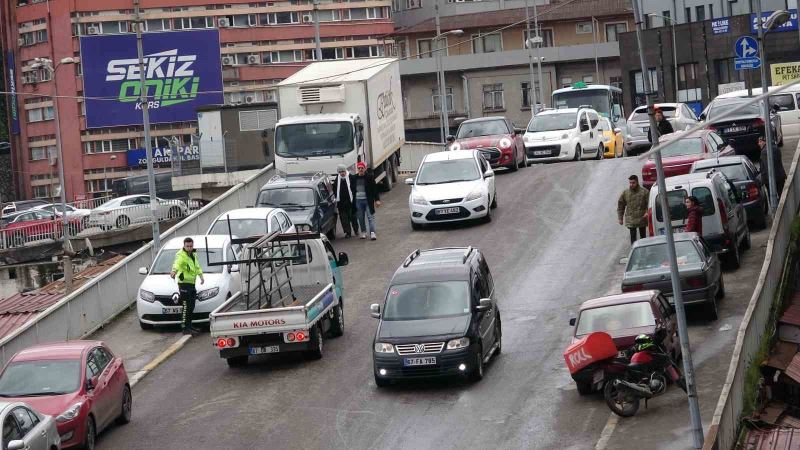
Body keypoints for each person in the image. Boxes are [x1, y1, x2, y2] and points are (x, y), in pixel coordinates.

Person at [170, 237, 204, 335]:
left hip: (192, 284)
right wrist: (174, 271)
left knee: (191, 306)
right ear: (184, 246)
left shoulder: (193, 254)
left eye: (191, 246)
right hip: (184, 284)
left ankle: (190, 326)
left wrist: (201, 276)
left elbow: (197, 267)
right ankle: (185, 328)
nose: (189, 248)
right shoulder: (181, 255)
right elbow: (177, 263)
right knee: (186, 306)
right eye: (187, 246)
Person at [350, 161, 381, 240]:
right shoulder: (354, 178)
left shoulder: (370, 177)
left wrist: (377, 200)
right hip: (358, 201)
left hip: (368, 201)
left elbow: (374, 189)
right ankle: (363, 232)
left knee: (370, 217)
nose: (360, 169)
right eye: (359, 168)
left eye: (362, 168)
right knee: (360, 217)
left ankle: (372, 233)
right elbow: (352, 188)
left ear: (365, 168)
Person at [617, 175, 650, 244]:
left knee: (643, 238)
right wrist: (620, 218)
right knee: (633, 238)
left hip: (642, 218)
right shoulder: (626, 193)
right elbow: (621, 205)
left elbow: (649, 203)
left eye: (633, 183)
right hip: (631, 219)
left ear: (637, 182)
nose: (631, 184)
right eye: (630, 183)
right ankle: (635, 251)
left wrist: (647, 212)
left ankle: (644, 250)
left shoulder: (644, 192)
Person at [334, 164, 358, 238]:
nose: (342, 173)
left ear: (345, 171)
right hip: (341, 203)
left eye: (343, 171)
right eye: (340, 172)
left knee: (353, 217)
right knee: (344, 219)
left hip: (351, 202)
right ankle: (348, 232)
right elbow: (335, 189)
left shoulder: (351, 177)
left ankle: (356, 230)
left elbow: (355, 189)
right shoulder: (337, 179)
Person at [758, 135, 786, 199]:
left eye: (760, 141)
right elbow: (779, 163)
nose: (759, 144)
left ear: (765, 142)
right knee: (781, 196)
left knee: (772, 198)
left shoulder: (764, 152)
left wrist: (765, 180)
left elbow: (766, 167)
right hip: (780, 177)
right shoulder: (776, 148)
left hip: (770, 179)